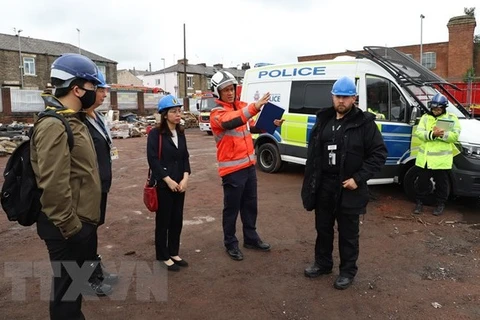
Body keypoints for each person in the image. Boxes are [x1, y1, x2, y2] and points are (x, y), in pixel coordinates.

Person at [31, 53, 104, 320]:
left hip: (78, 222)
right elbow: (53, 185)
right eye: (92, 87)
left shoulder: (75, 120)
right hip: (66, 227)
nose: (95, 93)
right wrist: (73, 228)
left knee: (73, 289)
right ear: (77, 88)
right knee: (67, 294)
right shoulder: (54, 125)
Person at [301, 76, 387, 290]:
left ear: (354, 98)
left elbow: (378, 154)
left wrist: (358, 179)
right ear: (332, 96)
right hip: (324, 186)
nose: (341, 101)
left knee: (348, 234)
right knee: (323, 229)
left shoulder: (364, 123)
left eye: (346, 97)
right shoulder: (323, 120)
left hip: (349, 187)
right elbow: (313, 152)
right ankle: (323, 263)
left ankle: (347, 272)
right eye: (338, 96)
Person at [209, 70, 284, 261]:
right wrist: (256, 106)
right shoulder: (217, 113)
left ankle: (250, 238)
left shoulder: (240, 108)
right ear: (217, 93)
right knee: (232, 209)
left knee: (250, 206)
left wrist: (270, 123)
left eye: (231, 88)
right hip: (232, 170)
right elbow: (232, 121)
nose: (230, 92)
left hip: (249, 166)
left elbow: (250, 126)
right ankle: (230, 243)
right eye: (225, 90)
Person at [147, 95, 191, 271]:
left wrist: (186, 177)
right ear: (165, 115)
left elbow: (185, 157)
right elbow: (152, 160)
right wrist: (168, 180)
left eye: (179, 111)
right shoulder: (155, 134)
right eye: (173, 111)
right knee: (164, 221)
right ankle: (162, 255)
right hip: (164, 185)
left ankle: (174, 252)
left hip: (180, 184)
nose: (178, 114)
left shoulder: (180, 132)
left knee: (177, 219)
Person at [84, 69, 119, 290]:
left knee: (93, 229)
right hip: (88, 189)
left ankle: (95, 270)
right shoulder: (80, 121)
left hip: (101, 186)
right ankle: (88, 279)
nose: (105, 95)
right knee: (86, 232)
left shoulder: (96, 117)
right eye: (102, 90)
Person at [413, 93, 461, 216]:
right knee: (422, 183)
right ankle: (419, 203)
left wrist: (442, 134)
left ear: (444, 108)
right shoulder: (425, 117)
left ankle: (440, 205)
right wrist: (432, 134)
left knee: (442, 184)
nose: (435, 111)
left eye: (438, 109)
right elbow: (419, 133)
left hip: (441, 160)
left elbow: (454, 136)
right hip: (425, 159)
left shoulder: (451, 118)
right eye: (434, 109)